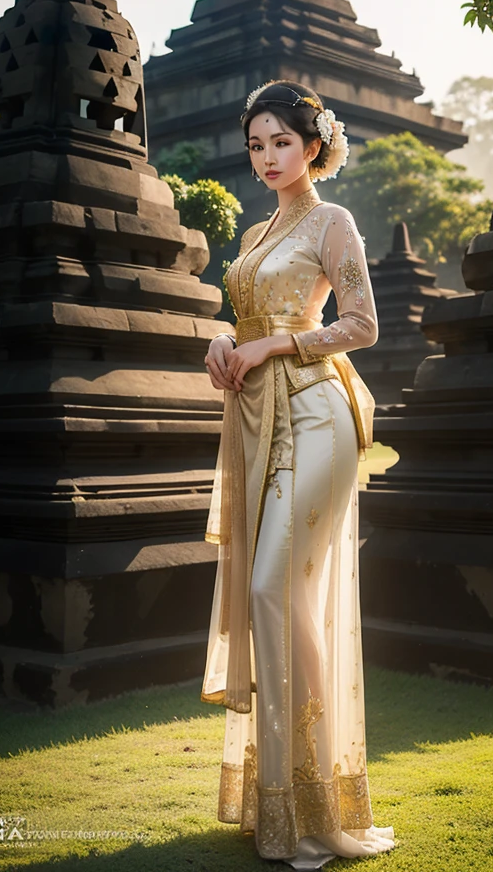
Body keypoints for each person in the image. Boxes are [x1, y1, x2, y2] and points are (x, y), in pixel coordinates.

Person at [201, 80, 395, 869]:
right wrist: (223, 345)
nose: (268, 156)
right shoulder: (254, 233)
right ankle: (285, 801)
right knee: (280, 601)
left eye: (281, 140)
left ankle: (317, 808)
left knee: (275, 588)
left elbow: (362, 325)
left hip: (318, 416)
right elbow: (246, 321)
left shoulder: (332, 221)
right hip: (255, 418)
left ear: (313, 145)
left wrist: (274, 344)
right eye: (256, 144)